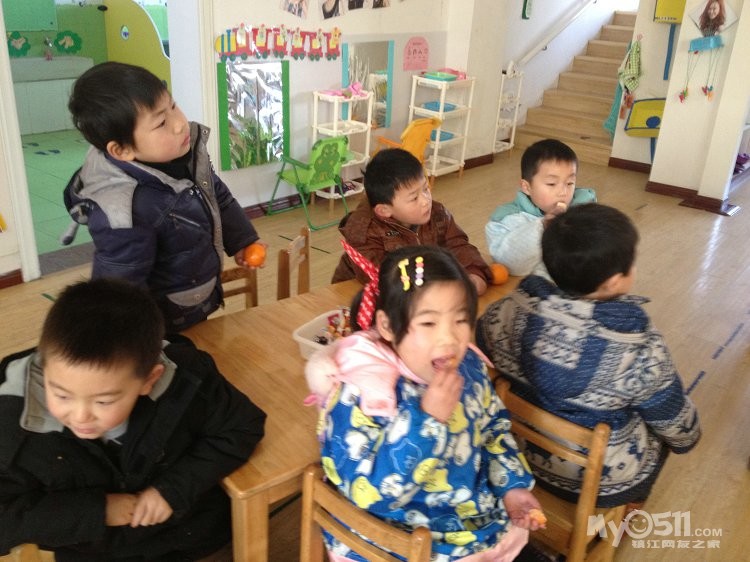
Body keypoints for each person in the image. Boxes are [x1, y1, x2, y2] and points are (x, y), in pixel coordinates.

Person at [0, 278, 266, 560]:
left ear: (150, 379)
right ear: (44, 369)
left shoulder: (189, 378)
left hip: (192, 535)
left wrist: (172, 490)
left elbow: (241, 426)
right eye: (61, 395)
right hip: (95, 552)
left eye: (103, 401)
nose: (80, 416)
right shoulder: (10, 424)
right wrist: (99, 511)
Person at [307, 245, 544, 561]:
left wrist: (512, 486)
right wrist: (427, 421)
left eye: (461, 320)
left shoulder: (469, 368)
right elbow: (369, 493)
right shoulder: (363, 391)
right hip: (399, 543)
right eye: (429, 323)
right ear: (387, 326)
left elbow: (493, 430)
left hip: (473, 525)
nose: (449, 339)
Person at [476, 204, 701, 508]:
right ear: (613, 282)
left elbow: (483, 342)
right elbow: (675, 421)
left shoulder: (512, 306)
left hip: (512, 453)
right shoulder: (638, 345)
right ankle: (630, 509)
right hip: (601, 483)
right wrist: (688, 439)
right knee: (661, 435)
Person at [64, 62, 264, 332]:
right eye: (161, 122)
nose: (180, 124)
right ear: (121, 150)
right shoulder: (123, 212)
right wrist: (134, 344)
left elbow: (218, 196)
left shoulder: (183, 156)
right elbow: (118, 292)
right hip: (160, 327)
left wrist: (243, 240)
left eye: (173, 106)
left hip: (192, 303)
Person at [332, 148, 492, 295]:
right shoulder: (364, 231)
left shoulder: (437, 213)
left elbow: (458, 245)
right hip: (356, 298)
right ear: (384, 210)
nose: (426, 201)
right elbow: (382, 278)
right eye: (414, 198)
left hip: (419, 294)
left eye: (426, 189)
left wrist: (474, 273)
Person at [485, 138, 596, 279]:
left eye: (570, 183)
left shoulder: (585, 209)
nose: (563, 192)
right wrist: (543, 227)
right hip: (538, 288)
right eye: (551, 184)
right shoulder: (508, 219)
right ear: (527, 187)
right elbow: (511, 266)